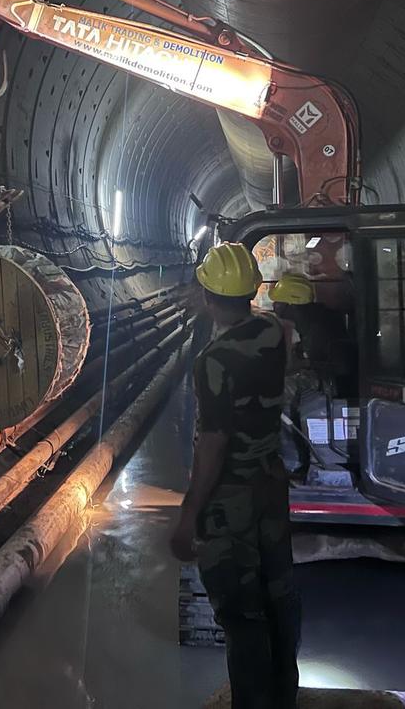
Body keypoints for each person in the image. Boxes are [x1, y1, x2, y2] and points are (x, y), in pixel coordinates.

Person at [170, 243, 300, 709]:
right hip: (271, 484)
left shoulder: (214, 360)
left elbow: (214, 442)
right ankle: (284, 697)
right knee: (279, 598)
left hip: (232, 499)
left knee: (242, 617)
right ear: (251, 292)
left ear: (208, 296)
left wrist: (190, 514)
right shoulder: (271, 330)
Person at [269, 273, 349, 476]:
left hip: (330, 381)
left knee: (278, 391)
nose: (274, 307)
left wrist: (292, 366)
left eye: (279, 302)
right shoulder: (315, 318)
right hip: (327, 375)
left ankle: (291, 460)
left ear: (292, 304)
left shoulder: (315, 327)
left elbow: (321, 362)